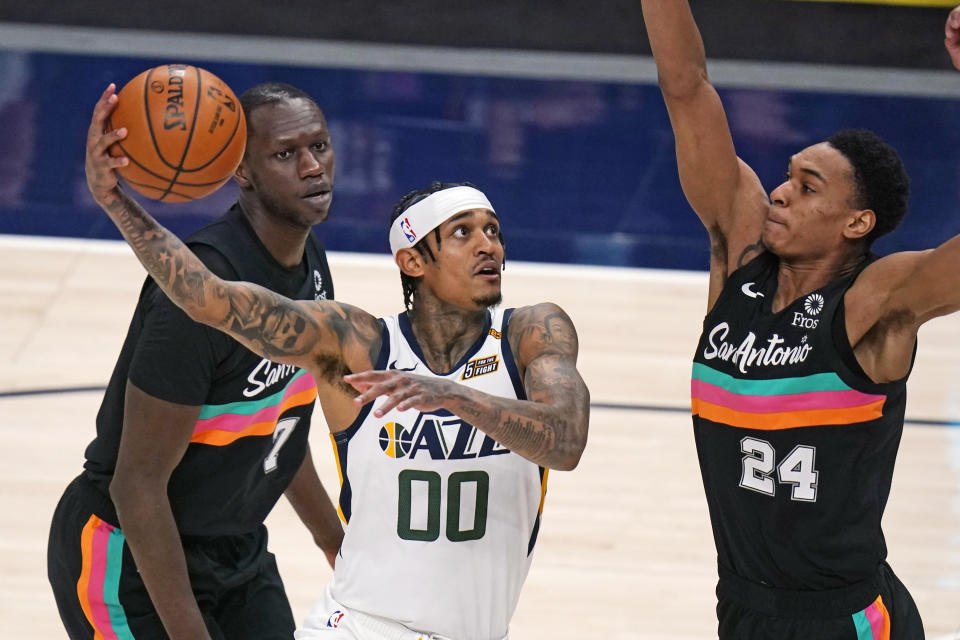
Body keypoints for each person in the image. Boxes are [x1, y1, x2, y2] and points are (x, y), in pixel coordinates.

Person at [83, 82, 590, 640]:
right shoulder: (353, 340)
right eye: (462, 233)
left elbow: (565, 442)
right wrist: (116, 202)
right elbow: (209, 298)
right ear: (412, 260)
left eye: (492, 231)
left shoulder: (531, 331)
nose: (487, 245)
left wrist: (452, 396)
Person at [640, 2, 960, 638]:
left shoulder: (877, 300)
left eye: (808, 187)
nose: (780, 192)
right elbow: (686, 87)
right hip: (742, 606)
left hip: (846, 619)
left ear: (856, 223)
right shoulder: (739, 257)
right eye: (787, 177)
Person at [48, 81, 345, 640]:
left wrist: (337, 544)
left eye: (320, 146)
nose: (313, 167)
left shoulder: (312, 262)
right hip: (131, 558)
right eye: (286, 154)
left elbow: (280, 426)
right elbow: (136, 485)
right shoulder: (195, 299)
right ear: (243, 172)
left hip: (236, 549)